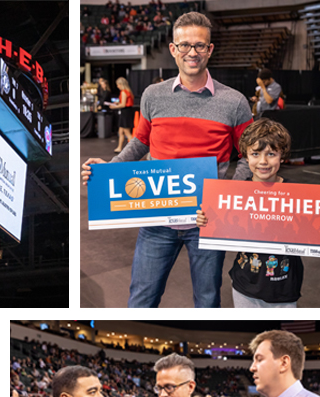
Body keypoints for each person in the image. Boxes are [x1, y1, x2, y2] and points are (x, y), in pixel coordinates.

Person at [82, 11, 254, 308]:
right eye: (184, 45)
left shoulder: (235, 102)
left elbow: (249, 156)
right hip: (157, 216)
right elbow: (139, 142)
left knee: (207, 301)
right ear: (173, 49)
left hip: (206, 220)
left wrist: (227, 196)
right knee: (141, 300)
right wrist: (108, 172)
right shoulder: (153, 95)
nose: (192, 52)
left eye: (200, 45)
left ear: (210, 49)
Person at [197, 118, 320, 307]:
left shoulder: (298, 194)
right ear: (245, 156)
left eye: (271, 154)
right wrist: (205, 220)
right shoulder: (235, 192)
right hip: (244, 286)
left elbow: (316, 230)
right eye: (255, 154)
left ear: (282, 155)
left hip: (285, 288)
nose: (263, 161)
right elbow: (218, 224)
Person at [109, 77, 135, 153]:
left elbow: (123, 104)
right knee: (121, 132)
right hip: (127, 112)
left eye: (118, 85)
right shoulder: (128, 91)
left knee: (127, 133)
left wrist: (114, 107)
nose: (117, 87)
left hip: (125, 113)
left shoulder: (123, 92)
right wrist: (117, 103)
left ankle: (134, 148)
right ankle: (119, 147)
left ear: (121, 84)